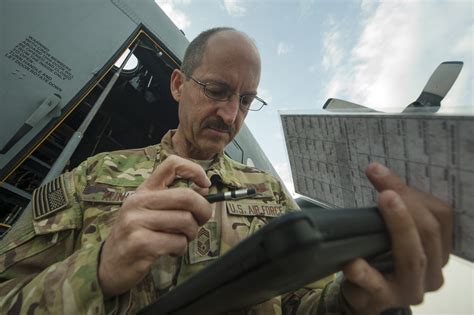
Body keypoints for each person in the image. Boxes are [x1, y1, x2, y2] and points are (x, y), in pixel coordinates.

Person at [0, 27, 452, 314]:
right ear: (179, 85)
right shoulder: (92, 175)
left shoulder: (270, 193)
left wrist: (356, 299)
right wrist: (98, 269)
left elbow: (305, 304)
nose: (230, 113)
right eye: (216, 90)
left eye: (246, 100)